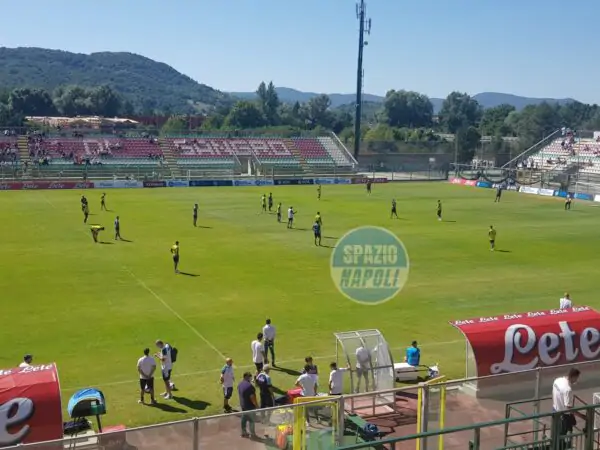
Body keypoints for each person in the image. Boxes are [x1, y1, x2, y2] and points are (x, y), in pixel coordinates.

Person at [552, 368, 580, 449]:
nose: (576, 380)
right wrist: (582, 416)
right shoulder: (568, 389)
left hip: (554, 410)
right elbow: (568, 407)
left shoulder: (557, 380)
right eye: (576, 378)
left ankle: (557, 446)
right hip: (563, 415)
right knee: (564, 434)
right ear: (573, 376)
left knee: (556, 433)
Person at [238, 372, 258, 438]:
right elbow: (252, 398)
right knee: (251, 420)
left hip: (243, 405)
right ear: (247, 377)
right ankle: (253, 434)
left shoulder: (240, 384)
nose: (251, 378)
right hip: (250, 407)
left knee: (244, 419)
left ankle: (243, 432)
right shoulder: (250, 387)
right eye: (250, 377)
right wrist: (257, 406)